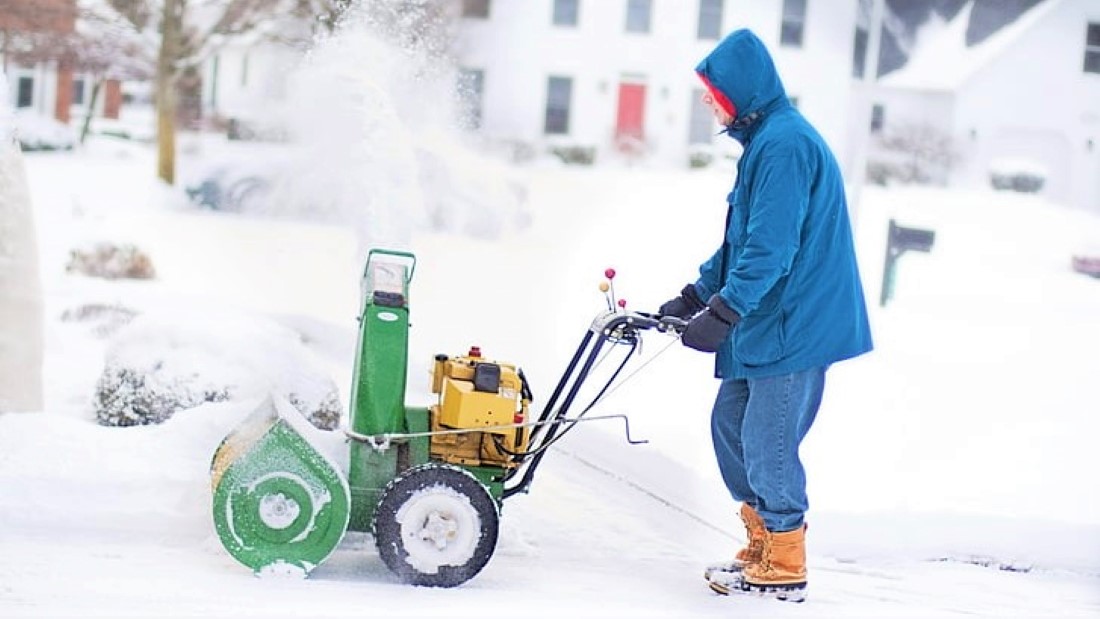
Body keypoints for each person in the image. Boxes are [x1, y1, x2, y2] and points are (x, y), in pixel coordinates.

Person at [658, 29, 873, 601]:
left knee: (767, 439)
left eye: (713, 90)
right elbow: (743, 239)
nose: (708, 100)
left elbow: (770, 250)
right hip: (770, 314)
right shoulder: (766, 142)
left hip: (796, 321)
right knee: (730, 426)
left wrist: (724, 311)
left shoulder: (784, 146)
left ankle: (784, 563)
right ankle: (762, 541)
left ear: (742, 90)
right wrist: (696, 293)